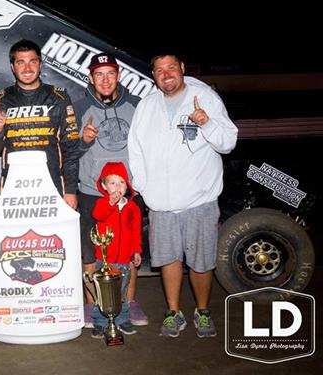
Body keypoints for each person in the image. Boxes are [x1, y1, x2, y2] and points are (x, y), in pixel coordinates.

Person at [128, 53, 238, 338]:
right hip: (161, 203)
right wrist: (143, 186)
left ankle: (202, 312)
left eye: (171, 68)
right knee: (168, 259)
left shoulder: (204, 98)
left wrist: (206, 122)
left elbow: (228, 142)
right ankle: (173, 313)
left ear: (182, 69)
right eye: (160, 70)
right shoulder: (147, 105)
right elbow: (136, 149)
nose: (166, 74)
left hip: (199, 200)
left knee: (201, 261)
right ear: (154, 75)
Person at [73, 52, 148, 328]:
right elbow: (69, 151)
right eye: (99, 74)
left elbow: (148, 147)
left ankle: (129, 302)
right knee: (90, 251)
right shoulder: (79, 107)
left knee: (127, 250)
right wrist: (83, 141)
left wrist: (141, 185)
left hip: (127, 194)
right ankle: (92, 304)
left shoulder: (137, 106)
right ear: (91, 78)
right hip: (92, 193)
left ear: (118, 76)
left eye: (110, 73)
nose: (105, 80)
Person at [0, 39, 80, 209]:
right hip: (13, 189)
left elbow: (71, 148)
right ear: (12, 67)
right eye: (20, 62)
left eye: (32, 62)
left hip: (53, 186)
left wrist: (71, 190)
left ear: (40, 64)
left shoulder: (59, 98)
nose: (27, 69)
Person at [90, 162, 142, 338]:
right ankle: (100, 322)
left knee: (123, 292)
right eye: (113, 183)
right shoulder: (101, 204)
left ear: (127, 186)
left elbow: (136, 232)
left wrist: (136, 251)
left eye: (122, 182)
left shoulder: (133, 208)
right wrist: (110, 203)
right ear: (104, 186)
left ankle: (122, 319)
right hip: (104, 261)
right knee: (102, 294)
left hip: (124, 261)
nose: (117, 187)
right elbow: (98, 215)